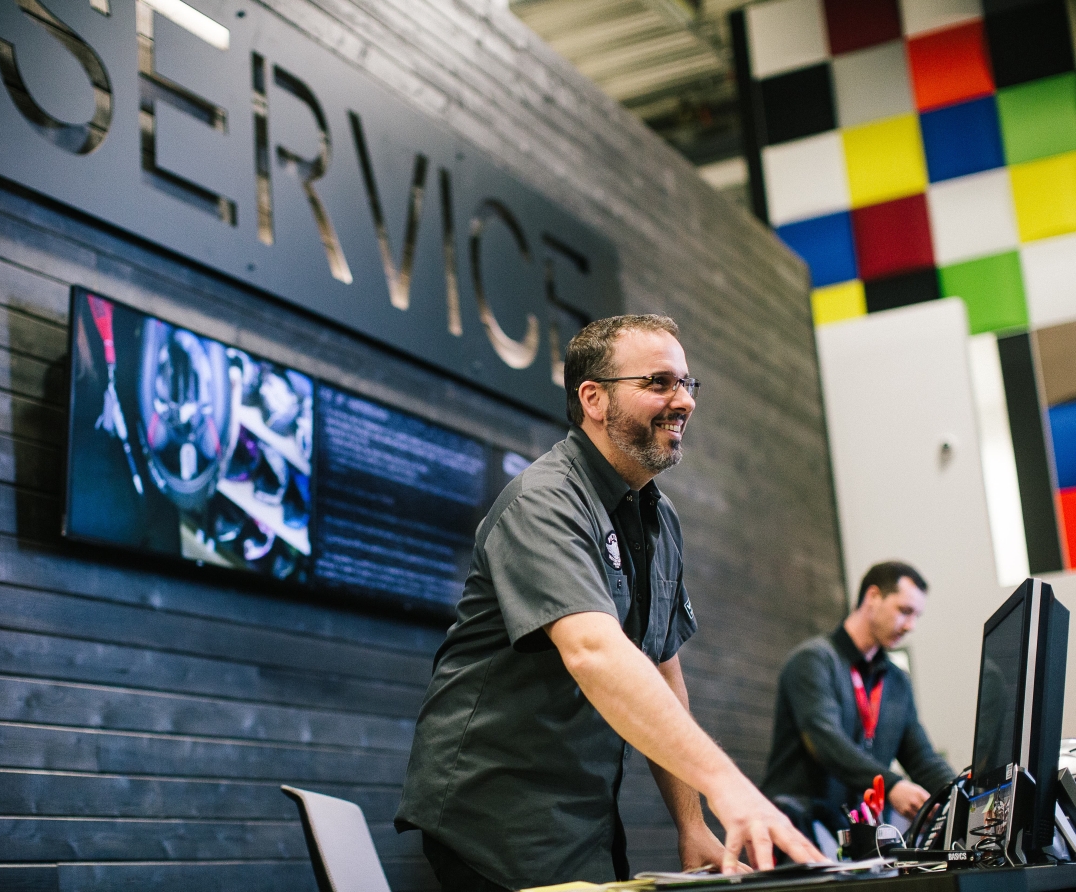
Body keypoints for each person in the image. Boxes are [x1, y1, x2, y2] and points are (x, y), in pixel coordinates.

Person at [395, 314, 821, 892]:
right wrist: (732, 789)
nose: (684, 401)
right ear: (593, 399)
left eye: (688, 384)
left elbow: (663, 669)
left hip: (584, 816)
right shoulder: (544, 501)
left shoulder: (658, 516)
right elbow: (594, 651)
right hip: (494, 818)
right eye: (659, 383)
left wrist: (692, 823)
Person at [761, 561, 955, 838]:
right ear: (873, 597)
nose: (910, 625)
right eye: (904, 611)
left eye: (916, 617)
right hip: (798, 832)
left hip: (860, 839)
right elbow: (826, 742)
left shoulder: (897, 681)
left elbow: (922, 759)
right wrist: (890, 786)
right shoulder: (812, 661)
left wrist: (963, 793)